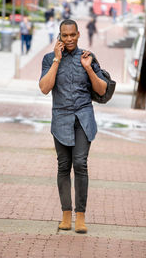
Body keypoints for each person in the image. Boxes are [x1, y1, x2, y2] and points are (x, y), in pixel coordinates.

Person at [39, 19, 107, 234]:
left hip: (83, 118)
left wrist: (88, 69)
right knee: (63, 165)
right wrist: (57, 61)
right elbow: (44, 88)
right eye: (64, 35)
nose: (69, 39)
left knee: (80, 164)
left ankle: (81, 216)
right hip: (60, 119)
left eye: (72, 35)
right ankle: (66, 214)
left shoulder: (88, 57)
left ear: (78, 35)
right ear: (59, 36)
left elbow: (102, 90)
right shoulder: (49, 59)